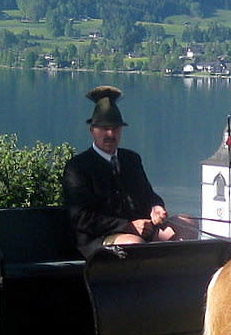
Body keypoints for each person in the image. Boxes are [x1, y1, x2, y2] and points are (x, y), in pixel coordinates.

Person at [62, 85, 178, 258]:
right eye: (104, 128)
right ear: (92, 130)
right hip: (99, 240)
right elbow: (81, 218)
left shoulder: (131, 159)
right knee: (134, 245)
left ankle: (177, 274)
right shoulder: (77, 167)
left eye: (115, 128)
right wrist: (127, 226)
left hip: (141, 231)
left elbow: (149, 195)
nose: (110, 133)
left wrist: (156, 208)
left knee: (183, 226)